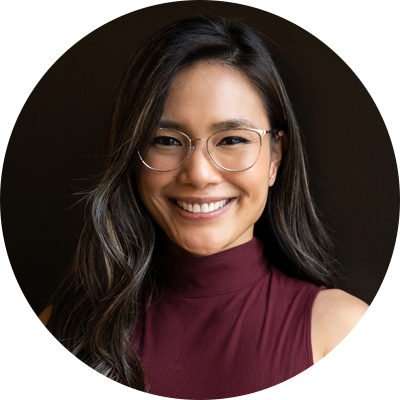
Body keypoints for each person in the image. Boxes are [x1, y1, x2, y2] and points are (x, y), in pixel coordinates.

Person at [15, 16, 396, 400]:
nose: (198, 174)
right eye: (166, 140)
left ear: (275, 157)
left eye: (231, 139)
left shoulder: (343, 334)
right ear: (133, 155)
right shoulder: (65, 333)